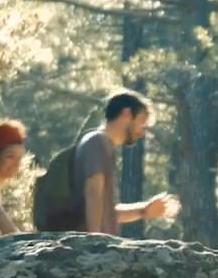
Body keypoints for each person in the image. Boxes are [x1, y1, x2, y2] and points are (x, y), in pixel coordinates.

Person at [74, 90, 177, 234]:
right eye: (141, 123)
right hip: (89, 250)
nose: (141, 133)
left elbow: (104, 212)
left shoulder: (104, 146)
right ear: (126, 114)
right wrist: (94, 240)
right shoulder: (97, 142)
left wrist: (144, 210)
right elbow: (93, 193)